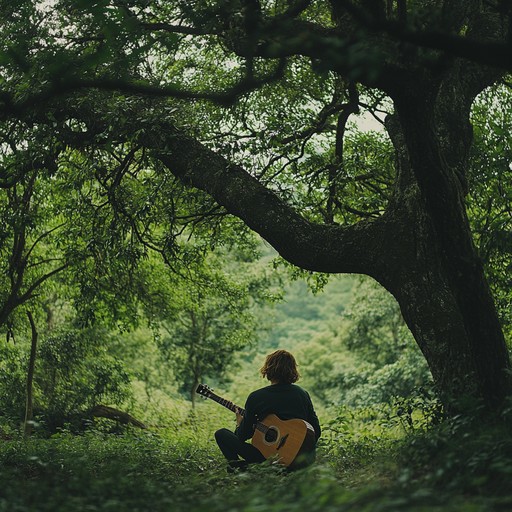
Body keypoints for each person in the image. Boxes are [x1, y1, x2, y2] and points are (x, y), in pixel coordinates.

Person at [215, 349, 321, 471]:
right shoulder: (302, 394)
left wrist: (239, 423)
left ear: (268, 369)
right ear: (292, 370)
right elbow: (316, 431)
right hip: (303, 462)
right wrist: (293, 446)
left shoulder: (256, 397)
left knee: (221, 433)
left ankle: (238, 469)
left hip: (266, 460)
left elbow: (242, 436)